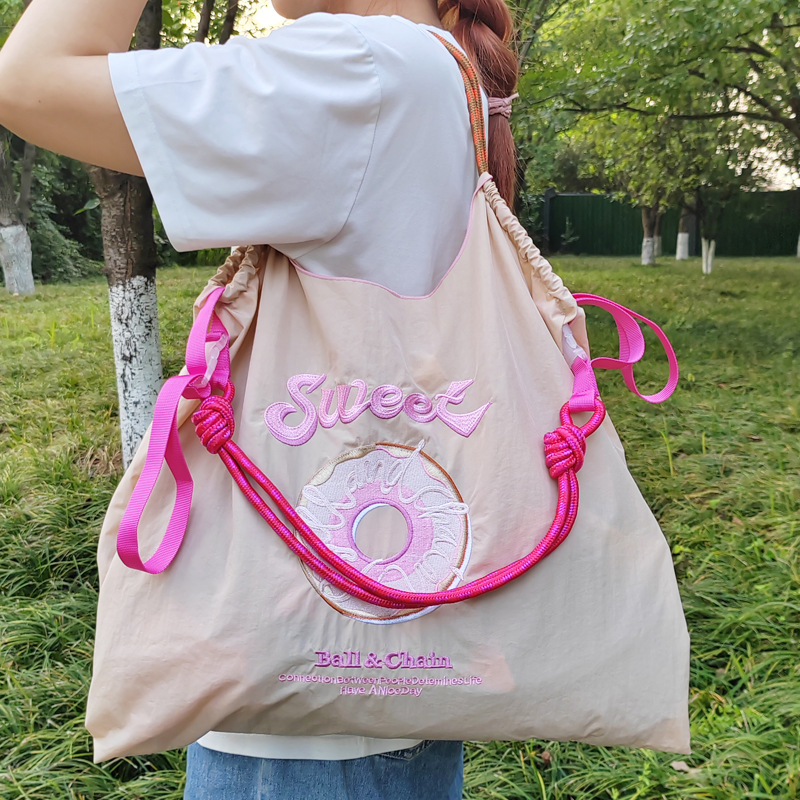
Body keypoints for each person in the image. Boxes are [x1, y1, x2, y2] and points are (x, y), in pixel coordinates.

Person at [0, 0, 518, 796]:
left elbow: (29, 79)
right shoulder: (435, 68)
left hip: (299, 723)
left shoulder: (356, 70)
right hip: (389, 694)